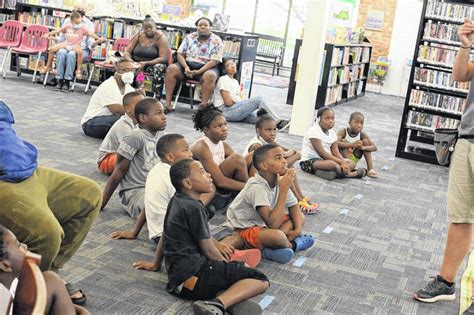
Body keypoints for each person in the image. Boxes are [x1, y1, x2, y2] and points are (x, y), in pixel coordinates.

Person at [0, 101, 102, 304]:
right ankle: (28, 290)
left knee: (90, 194)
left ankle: (49, 271)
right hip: (3, 180)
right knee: (47, 233)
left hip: (25, 168)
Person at [114, 134, 261, 271]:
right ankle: (225, 257)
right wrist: (214, 244)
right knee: (235, 236)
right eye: (186, 150)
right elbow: (181, 222)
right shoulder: (174, 178)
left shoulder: (156, 170)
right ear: (171, 156)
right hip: (173, 237)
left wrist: (134, 232)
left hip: (166, 234)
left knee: (226, 232)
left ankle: (224, 251)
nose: (191, 154)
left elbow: (148, 205)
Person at [413, 18, 474, 303]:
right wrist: (465, 47)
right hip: (468, 140)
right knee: (460, 216)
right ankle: (446, 281)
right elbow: (461, 75)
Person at [162, 159, 269, 315]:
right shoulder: (195, 208)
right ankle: (217, 304)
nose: (209, 175)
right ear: (188, 183)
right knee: (260, 279)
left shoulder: (176, 200)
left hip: (178, 283)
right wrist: (228, 266)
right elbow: (209, 251)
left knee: (233, 272)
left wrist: (156, 263)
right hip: (196, 275)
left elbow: (166, 233)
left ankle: (222, 297)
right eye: (202, 172)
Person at [226, 144, 315, 264]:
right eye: (278, 158)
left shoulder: (279, 181)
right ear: (264, 165)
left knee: (300, 218)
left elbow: (294, 207)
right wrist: (283, 190)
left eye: (284, 157)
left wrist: (298, 230)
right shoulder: (257, 187)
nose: (284, 161)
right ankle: (291, 245)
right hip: (243, 228)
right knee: (277, 237)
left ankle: (271, 247)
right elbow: (272, 223)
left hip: (264, 225)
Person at [101, 98, 166, 233]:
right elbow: (119, 171)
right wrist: (101, 203)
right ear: (143, 118)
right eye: (158, 113)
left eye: (163, 113)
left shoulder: (160, 134)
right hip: (135, 192)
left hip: (154, 188)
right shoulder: (134, 137)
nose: (164, 117)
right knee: (162, 210)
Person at [0, 226, 89, 314]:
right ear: (5, 265)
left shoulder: (12, 282)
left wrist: (82, 311)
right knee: (52, 279)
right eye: (18, 245)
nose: (25, 246)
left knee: (51, 279)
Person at [244, 112, 318, 214]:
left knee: (288, 166)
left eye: (274, 130)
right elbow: (289, 156)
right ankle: (298, 199)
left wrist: (290, 153)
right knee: (286, 169)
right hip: (255, 176)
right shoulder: (257, 145)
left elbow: (285, 152)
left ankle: (301, 197)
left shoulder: (270, 142)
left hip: (265, 171)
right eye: (268, 130)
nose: (272, 133)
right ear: (258, 131)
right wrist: (294, 155)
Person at [164, 17, 223, 113]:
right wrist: (186, 67)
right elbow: (180, 54)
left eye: (205, 25)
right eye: (200, 25)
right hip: (187, 66)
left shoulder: (217, 40)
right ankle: (167, 104)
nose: (202, 27)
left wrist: (199, 71)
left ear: (211, 27)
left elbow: (215, 60)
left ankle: (203, 108)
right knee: (171, 69)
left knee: (210, 76)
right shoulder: (189, 37)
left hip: (207, 68)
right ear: (196, 27)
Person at [190, 105, 250, 196]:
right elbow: (220, 182)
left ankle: (249, 193)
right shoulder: (202, 147)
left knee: (255, 155)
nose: (224, 129)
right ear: (206, 130)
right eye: (218, 126)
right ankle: (249, 194)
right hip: (211, 187)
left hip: (221, 181)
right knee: (237, 159)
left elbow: (241, 165)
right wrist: (249, 187)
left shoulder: (222, 144)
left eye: (225, 124)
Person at [214, 59, 289, 129]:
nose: (233, 66)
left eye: (233, 63)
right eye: (228, 65)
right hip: (225, 112)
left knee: (259, 117)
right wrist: (241, 103)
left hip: (234, 109)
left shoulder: (235, 81)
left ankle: (283, 124)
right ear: (224, 70)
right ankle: (278, 122)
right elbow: (228, 102)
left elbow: (236, 99)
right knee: (259, 100)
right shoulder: (223, 79)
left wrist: (242, 105)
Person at [299, 107, 367, 180]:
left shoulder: (332, 134)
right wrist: (341, 163)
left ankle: (330, 173)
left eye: (332, 118)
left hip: (325, 161)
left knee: (352, 163)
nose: (330, 121)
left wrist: (343, 163)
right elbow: (322, 153)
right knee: (332, 164)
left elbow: (336, 152)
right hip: (310, 161)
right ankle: (351, 174)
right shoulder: (314, 131)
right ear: (319, 119)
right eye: (327, 118)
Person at [41, 11, 104, 85]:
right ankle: (48, 67)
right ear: (71, 21)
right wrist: (49, 33)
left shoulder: (83, 28)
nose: (77, 25)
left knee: (80, 52)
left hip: (76, 46)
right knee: (52, 49)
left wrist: (98, 38)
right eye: (76, 23)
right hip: (66, 44)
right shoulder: (68, 26)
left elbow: (90, 34)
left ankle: (78, 71)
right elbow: (58, 30)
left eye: (79, 22)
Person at [81, 59, 138, 139]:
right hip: (91, 123)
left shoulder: (129, 89)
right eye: (125, 70)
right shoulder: (108, 86)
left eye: (132, 70)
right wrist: (138, 113)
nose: (129, 73)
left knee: (131, 122)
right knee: (124, 121)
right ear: (116, 71)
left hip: (110, 119)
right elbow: (116, 110)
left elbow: (135, 105)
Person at [48, 4, 95, 90]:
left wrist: (93, 44)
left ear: (85, 10)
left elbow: (91, 40)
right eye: (78, 8)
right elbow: (62, 36)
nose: (80, 10)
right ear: (73, 10)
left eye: (82, 9)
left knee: (72, 55)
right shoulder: (67, 21)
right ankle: (59, 79)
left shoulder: (89, 24)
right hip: (67, 45)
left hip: (82, 48)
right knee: (61, 53)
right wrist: (54, 38)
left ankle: (67, 81)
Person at [97, 91, 144, 175]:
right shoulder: (123, 125)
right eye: (138, 105)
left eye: (143, 104)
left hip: (121, 155)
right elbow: (129, 148)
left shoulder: (138, 122)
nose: (142, 108)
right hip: (106, 159)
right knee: (132, 156)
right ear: (127, 109)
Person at [124, 16, 169, 99]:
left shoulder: (161, 38)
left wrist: (146, 63)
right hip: (137, 63)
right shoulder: (138, 36)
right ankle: (128, 93)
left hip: (152, 64)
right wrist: (132, 62)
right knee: (124, 65)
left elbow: (163, 58)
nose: (149, 30)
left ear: (155, 27)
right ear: (142, 28)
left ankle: (156, 97)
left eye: (151, 28)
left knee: (159, 67)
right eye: (146, 28)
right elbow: (127, 52)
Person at [336, 112, 378, 178]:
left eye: (361, 123)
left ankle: (370, 169)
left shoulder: (362, 134)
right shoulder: (343, 131)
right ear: (349, 123)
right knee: (343, 141)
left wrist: (363, 147)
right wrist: (352, 144)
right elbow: (335, 143)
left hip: (354, 158)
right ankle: (348, 169)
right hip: (343, 158)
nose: (359, 125)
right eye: (356, 122)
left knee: (365, 142)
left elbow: (374, 147)